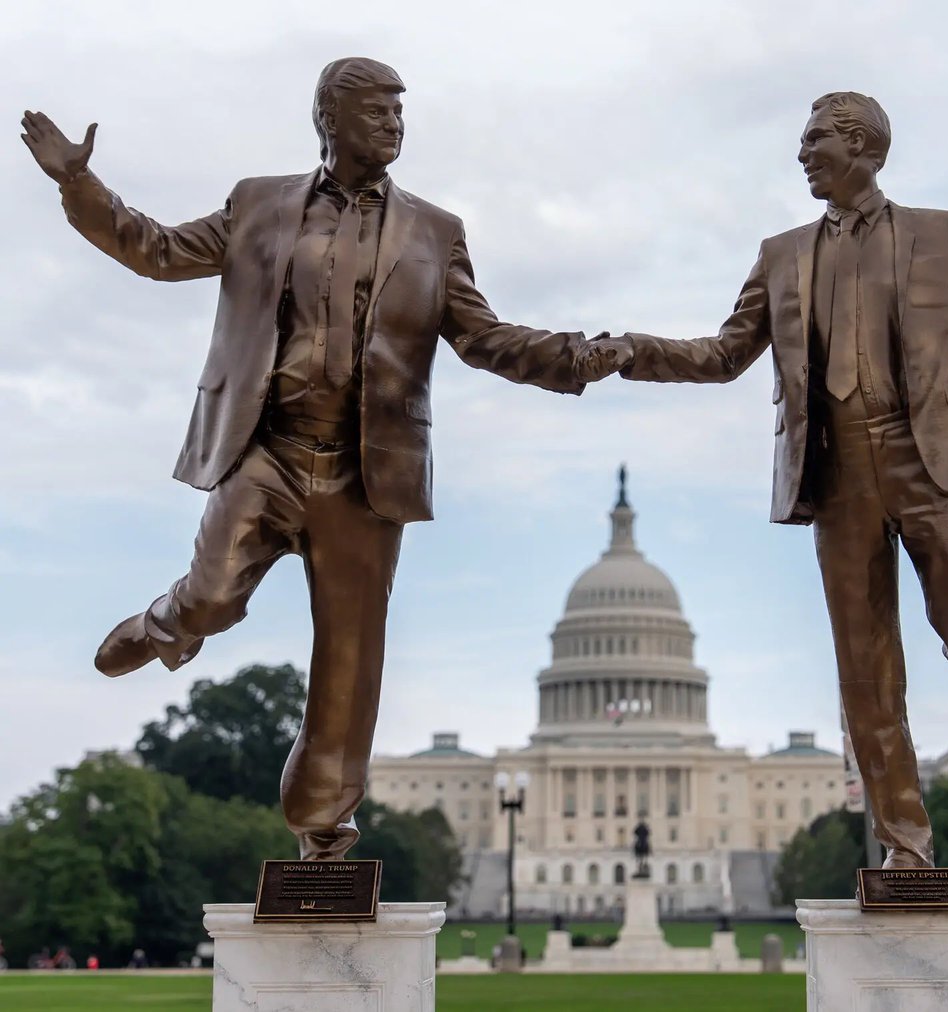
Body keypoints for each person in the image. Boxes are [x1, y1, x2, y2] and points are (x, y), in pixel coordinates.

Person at [577, 91, 948, 870]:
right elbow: (725, 356)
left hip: (925, 459)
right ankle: (906, 847)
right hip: (836, 472)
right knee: (867, 673)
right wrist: (632, 349)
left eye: (814, 139)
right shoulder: (781, 253)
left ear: (865, 147)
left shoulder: (938, 233)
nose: (801, 154)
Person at [21, 57, 590, 861]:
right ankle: (168, 623)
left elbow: (484, 338)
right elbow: (156, 250)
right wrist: (82, 187)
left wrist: (577, 356)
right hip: (268, 451)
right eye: (378, 110)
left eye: (402, 110)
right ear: (330, 118)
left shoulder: (435, 230)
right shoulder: (260, 203)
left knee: (349, 664)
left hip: (365, 474)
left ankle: (322, 826)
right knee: (215, 597)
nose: (395, 123)